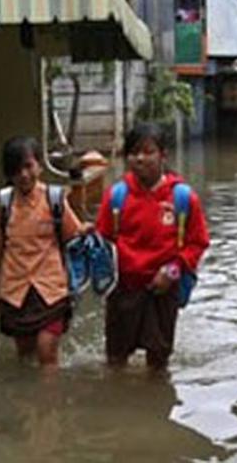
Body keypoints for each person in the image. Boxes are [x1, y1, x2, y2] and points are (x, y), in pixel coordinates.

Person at [95, 122, 209, 371]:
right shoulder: (116, 196)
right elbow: (103, 241)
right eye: (134, 153)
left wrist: (172, 271)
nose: (140, 159)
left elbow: (197, 242)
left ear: (163, 155)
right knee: (115, 361)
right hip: (123, 290)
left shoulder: (183, 198)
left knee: (158, 363)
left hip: (163, 291)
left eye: (148, 152)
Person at [0, 136, 92, 369]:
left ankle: (49, 403)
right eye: (16, 169)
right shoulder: (2, 203)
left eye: (28, 166)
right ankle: (28, 403)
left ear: (39, 166)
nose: (23, 175)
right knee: (24, 354)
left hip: (51, 289)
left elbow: (72, 236)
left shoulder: (54, 199)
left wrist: (88, 230)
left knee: (46, 349)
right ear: (8, 173)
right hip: (15, 290)